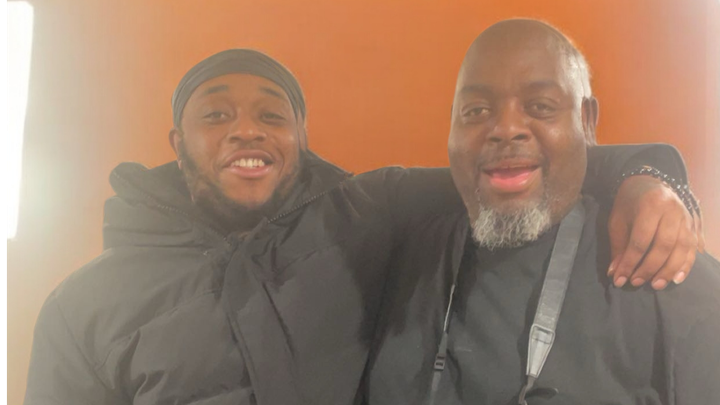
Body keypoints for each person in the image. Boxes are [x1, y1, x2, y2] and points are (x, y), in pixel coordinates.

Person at [24, 49, 702, 405]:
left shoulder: (364, 211)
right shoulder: (84, 304)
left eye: (271, 114)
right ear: (178, 143)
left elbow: (506, 166)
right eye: (216, 116)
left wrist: (650, 173)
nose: (246, 130)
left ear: (299, 137)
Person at [364, 19, 720, 405]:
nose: (506, 129)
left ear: (586, 120)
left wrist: (648, 174)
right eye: (476, 110)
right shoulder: (393, 261)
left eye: (540, 107)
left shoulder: (665, 269)